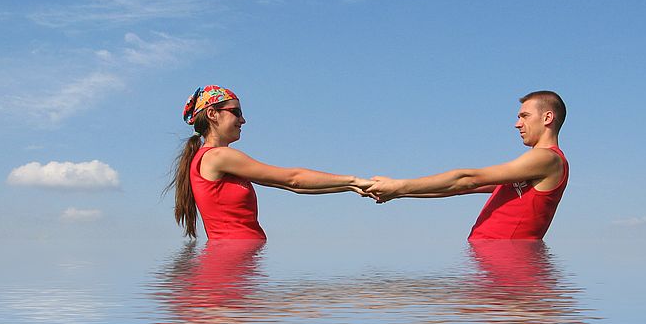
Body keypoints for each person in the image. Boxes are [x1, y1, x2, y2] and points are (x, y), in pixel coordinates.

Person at [167, 85, 374, 240]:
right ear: (212, 114)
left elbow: (293, 186)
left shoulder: (210, 160)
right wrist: (355, 180)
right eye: (236, 112)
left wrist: (350, 186)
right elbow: (294, 179)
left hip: (235, 258)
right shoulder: (218, 156)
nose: (243, 120)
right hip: (233, 258)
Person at [365, 90, 569, 240]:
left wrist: (399, 185)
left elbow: (468, 178)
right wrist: (397, 192)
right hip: (494, 259)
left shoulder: (547, 158)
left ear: (547, 117)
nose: (517, 124)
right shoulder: (529, 168)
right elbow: (456, 188)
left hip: (509, 262)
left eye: (524, 116)